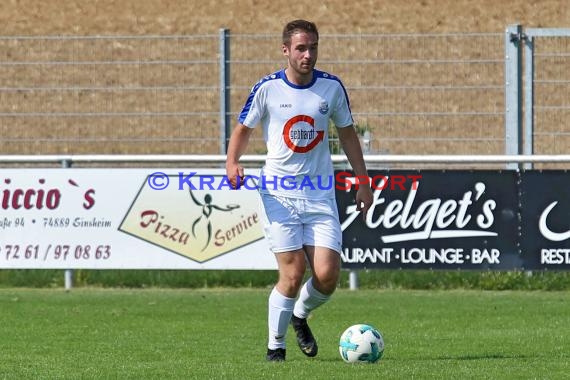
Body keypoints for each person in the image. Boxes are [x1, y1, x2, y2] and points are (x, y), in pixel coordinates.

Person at [225, 19, 373, 362]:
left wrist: (363, 181)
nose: (308, 55)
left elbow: (348, 134)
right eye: (301, 48)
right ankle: (275, 347)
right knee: (291, 275)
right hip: (279, 194)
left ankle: (299, 316)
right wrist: (232, 162)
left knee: (327, 276)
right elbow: (243, 129)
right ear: (286, 51)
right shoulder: (267, 89)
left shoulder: (332, 88)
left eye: (313, 48)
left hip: (320, 194)